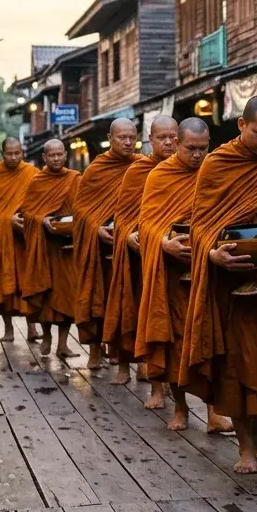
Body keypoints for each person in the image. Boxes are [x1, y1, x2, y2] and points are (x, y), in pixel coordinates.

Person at [178, 95, 257, 471]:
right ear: (241, 125)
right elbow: (201, 224)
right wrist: (211, 254)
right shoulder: (218, 164)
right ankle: (244, 446)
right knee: (238, 362)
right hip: (230, 282)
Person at [133, 118, 227, 433]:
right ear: (177, 144)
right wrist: (164, 242)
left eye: (203, 148)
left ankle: (214, 412)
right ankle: (181, 408)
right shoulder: (160, 175)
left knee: (209, 341)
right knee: (175, 346)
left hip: (208, 273)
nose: (198, 155)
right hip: (172, 275)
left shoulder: (214, 173)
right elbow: (146, 223)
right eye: (191, 149)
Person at [103, 116, 178, 388]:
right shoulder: (138, 171)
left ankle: (159, 372)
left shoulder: (184, 170)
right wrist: (129, 235)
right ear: (151, 140)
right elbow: (122, 217)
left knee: (165, 315)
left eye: (173, 137)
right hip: (137, 255)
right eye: (162, 138)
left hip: (171, 253)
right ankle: (126, 364)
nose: (168, 142)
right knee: (131, 307)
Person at [71, 118, 141, 369]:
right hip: (101, 248)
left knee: (127, 300)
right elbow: (80, 209)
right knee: (97, 297)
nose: (128, 142)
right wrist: (95, 228)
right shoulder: (96, 170)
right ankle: (93, 349)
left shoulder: (142, 168)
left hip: (132, 246)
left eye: (132, 137)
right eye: (122, 137)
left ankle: (124, 354)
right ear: (110, 139)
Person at [22, 140, 81, 357]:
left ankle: (63, 344)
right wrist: (41, 219)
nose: (56, 159)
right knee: (46, 294)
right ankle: (46, 338)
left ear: (65, 155)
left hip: (67, 248)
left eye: (59, 154)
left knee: (67, 295)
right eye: (51, 155)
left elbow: (82, 208)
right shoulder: (37, 181)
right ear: (44, 158)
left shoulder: (74, 178)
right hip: (45, 248)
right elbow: (27, 212)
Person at [0, 138, 37, 341]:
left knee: (27, 282)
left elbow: (39, 201)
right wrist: (8, 220)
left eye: (17, 153)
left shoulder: (31, 173)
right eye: (9, 154)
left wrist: (26, 218)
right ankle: (8, 329)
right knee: (3, 280)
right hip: (2, 240)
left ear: (23, 152)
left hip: (24, 239)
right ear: (2, 153)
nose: (14, 157)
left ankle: (32, 328)